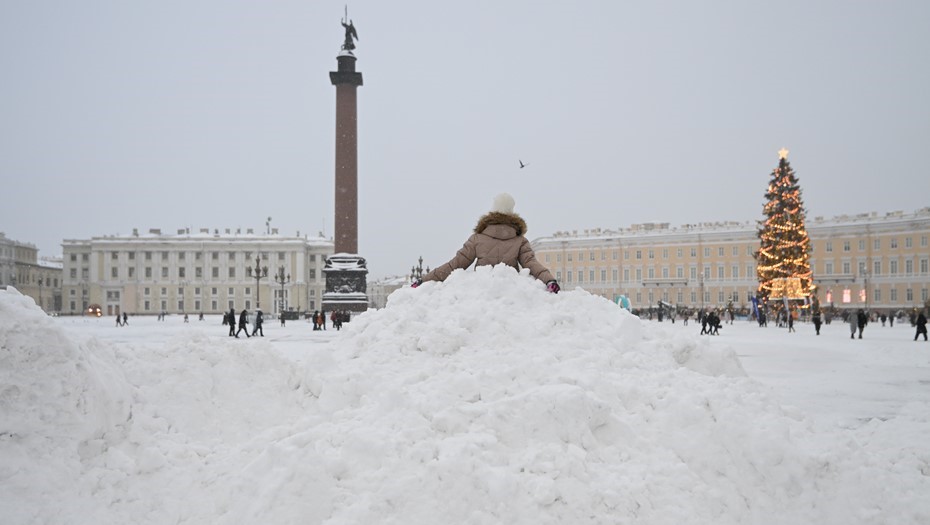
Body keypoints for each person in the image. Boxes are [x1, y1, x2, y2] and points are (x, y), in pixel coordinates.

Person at [412, 193, 560, 293]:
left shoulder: (477, 239)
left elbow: (455, 265)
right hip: (511, 295)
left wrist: (424, 280)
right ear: (512, 211)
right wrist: (549, 281)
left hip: (480, 293)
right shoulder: (520, 240)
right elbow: (531, 263)